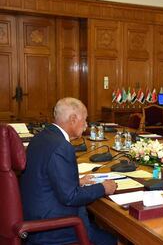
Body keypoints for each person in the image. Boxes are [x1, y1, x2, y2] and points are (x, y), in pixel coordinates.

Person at [20, 97, 118, 245]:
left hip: (34, 216)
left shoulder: (41, 137)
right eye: (84, 120)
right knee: (113, 239)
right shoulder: (61, 146)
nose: (86, 125)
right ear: (73, 119)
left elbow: (43, 176)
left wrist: (76, 181)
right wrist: (103, 188)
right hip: (53, 228)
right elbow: (71, 197)